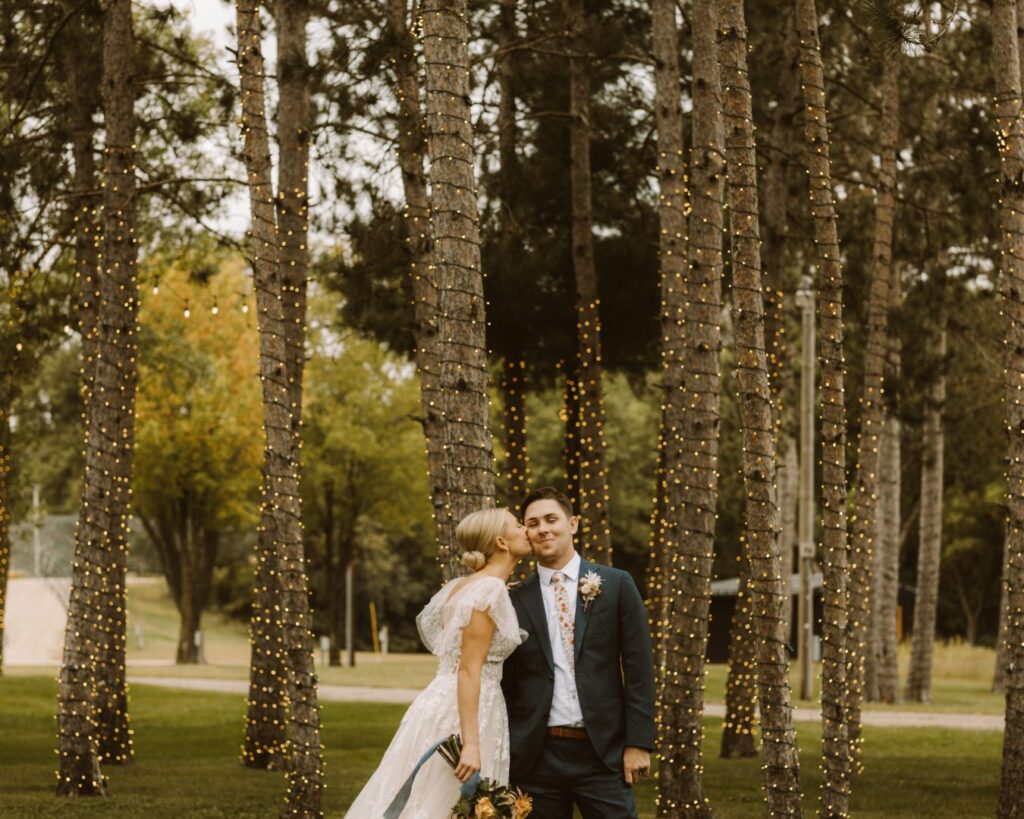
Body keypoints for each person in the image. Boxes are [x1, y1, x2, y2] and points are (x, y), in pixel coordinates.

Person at [344, 507, 532, 818]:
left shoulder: (466, 585)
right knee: (448, 802)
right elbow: (469, 669)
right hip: (471, 709)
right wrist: (471, 744)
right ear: (502, 541)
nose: (526, 529)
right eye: (518, 524)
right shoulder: (489, 591)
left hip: (439, 703)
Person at [501, 486, 656, 819]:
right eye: (532, 523)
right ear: (526, 534)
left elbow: (640, 668)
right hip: (535, 756)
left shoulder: (616, 585)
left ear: (573, 524)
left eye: (551, 519)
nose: (542, 528)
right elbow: (506, 682)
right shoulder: (512, 599)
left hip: (603, 752)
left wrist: (638, 743)